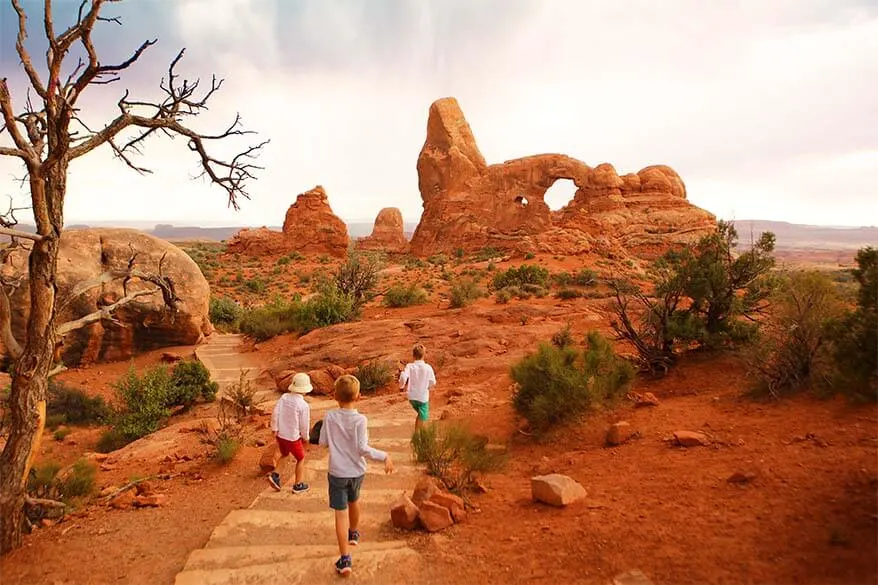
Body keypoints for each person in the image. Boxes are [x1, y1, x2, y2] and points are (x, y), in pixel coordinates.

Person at [318, 374, 394, 576]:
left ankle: (345, 559)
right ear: (358, 396)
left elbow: (323, 442)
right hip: (357, 471)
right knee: (355, 500)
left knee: (339, 512)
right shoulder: (361, 420)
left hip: (337, 472)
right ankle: (354, 533)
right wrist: (384, 456)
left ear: (335, 396)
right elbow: (362, 448)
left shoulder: (330, 416)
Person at [268, 372, 312, 493]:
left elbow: (275, 413)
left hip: (281, 435)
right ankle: (298, 485)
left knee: (285, 454)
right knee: (300, 458)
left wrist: (275, 428)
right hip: (293, 438)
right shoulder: (303, 405)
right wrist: (306, 437)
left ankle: (275, 475)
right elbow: (304, 424)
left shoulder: (284, 398)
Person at [399, 343, 437, 432]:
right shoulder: (428, 367)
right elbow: (433, 382)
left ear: (413, 355)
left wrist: (401, 386)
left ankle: (416, 436)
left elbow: (403, 376)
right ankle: (421, 438)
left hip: (412, 397)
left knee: (420, 415)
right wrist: (427, 387)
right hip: (422, 397)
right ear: (424, 355)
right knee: (423, 418)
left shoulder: (409, 366)